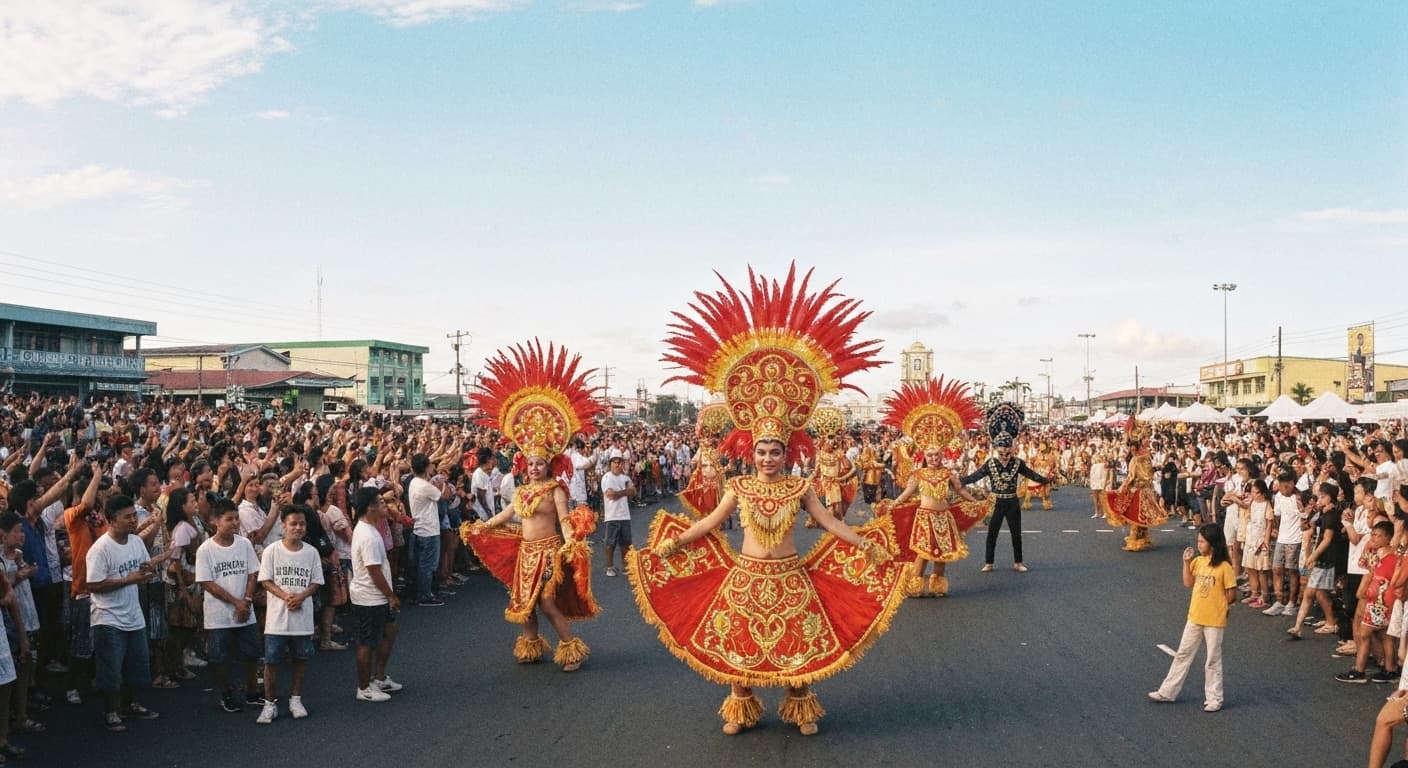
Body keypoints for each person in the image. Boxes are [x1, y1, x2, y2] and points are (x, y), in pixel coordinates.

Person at [629, 264, 903, 737]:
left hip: (791, 574)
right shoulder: (739, 487)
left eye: (776, 450)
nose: (769, 457)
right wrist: (675, 544)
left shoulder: (800, 488)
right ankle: (741, 707)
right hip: (748, 574)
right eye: (762, 450)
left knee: (799, 647)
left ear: (787, 452)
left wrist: (861, 542)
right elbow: (710, 523)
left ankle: (800, 708)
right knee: (738, 649)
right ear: (751, 451)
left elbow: (829, 523)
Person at [463, 340, 599, 672]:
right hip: (526, 551)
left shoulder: (555, 489)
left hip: (549, 550)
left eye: (540, 463)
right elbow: (507, 515)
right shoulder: (522, 491)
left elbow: (564, 520)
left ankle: (571, 649)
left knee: (548, 602)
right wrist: (483, 526)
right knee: (526, 605)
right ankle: (531, 646)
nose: (535, 467)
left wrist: (570, 542)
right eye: (531, 463)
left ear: (548, 465)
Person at [875, 376, 987, 598]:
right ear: (924, 455)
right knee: (922, 553)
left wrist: (976, 503)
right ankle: (915, 585)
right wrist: (893, 504)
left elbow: (961, 491)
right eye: (930, 455)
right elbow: (907, 493)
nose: (934, 458)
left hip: (943, 518)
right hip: (924, 518)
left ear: (942, 454)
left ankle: (937, 585)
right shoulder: (918, 474)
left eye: (937, 454)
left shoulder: (948, 474)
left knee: (941, 555)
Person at [86, 494, 162, 732]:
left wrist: (147, 569)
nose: (133, 520)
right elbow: (93, 584)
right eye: (127, 517)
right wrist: (127, 579)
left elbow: (142, 570)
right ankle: (111, 712)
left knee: (137, 664)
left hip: (133, 614)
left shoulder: (136, 542)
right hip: (108, 617)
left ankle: (131, 704)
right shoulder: (100, 549)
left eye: (133, 515)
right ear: (111, 520)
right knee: (111, 668)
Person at [1148, 524, 1236, 712]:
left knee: (1212, 659)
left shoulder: (1224, 567)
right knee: (1183, 654)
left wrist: (1221, 606)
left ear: (1212, 544)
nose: (1198, 545)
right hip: (1195, 615)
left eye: (1202, 541)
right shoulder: (1198, 561)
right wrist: (1186, 562)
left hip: (1214, 619)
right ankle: (1168, 691)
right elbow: (1188, 582)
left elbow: (1231, 594)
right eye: (1198, 541)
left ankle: (1214, 698)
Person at [960, 403, 1050, 572]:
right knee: (992, 533)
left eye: (1007, 446)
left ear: (1012, 447)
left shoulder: (1018, 463)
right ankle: (989, 562)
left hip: (1012, 501)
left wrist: (1046, 480)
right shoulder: (991, 463)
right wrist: (959, 481)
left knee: (1016, 533)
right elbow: (975, 476)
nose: (1004, 449)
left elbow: (1032, 474)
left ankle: (1018, 562)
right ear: (996, 447)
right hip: (995, 502)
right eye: (1001, 446)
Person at [256, 504, 324, 723]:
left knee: (300, 659)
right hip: (277, 619)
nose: (298, 528)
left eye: (302, 524)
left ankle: (296, 698)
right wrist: (285, 596)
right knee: (272, 661)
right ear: (283, 525)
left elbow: (316, 582)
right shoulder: (272, 551)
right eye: (293, 523)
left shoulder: (311, 552)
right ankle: (269, 703)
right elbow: (265, 580)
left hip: (302, 618)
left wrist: (301, 596)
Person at [195, 499, 261, 713]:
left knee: (251, 653)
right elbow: (207, 582)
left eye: (236, 518)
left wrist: (247, 601)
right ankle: (227, 693)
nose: (234, 523)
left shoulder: (244, 544)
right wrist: (236, 603)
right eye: (229, 519)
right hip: (219, 614)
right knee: (220, 657)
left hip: (245, 610)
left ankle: (252, 692)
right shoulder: (205, 550)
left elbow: (253, 573)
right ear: (215, 521)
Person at [349, 487, 402, 702]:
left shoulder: (370, 529)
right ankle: (364, 688)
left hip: (377, 595)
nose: (385, 505)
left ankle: (379, 678)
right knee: (366, 642)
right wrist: (391, 595)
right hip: (369, 597)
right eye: (381, 502)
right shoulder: (368, 535)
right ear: (370, 507)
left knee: (390, 631)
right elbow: (373, 570)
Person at [1096, 428, 1168, 552]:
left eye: (1133, 449)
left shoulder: (1135, 460)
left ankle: (1134, 541)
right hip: (1147, 491)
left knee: (1135, 516)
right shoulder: (1148, 458)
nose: (1132, 451)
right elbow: (1149, 474)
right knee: (1143, 516)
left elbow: (1131, 476)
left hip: (1138, 491)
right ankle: (1143, 538)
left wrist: (1121, 488)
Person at [406, 453, 444, 608]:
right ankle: (425, 595)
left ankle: (422, 592)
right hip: (428, 530)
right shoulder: (426, 486)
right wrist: (441, 482)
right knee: (427, 565)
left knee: (421, 564)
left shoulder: (415, 482)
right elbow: (444, 495)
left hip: (419, 528)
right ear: (426, 467)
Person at [600, 455, 634, 577]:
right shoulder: (607, 478)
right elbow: (610, 495)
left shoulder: (625, 477)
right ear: (610, 464)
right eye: (615, 462)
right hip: (612, 516)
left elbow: (633, 491)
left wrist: (619, 493)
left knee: (626, 543)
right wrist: (625, 491)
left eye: (620, 462)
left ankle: (626, 566)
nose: (618, 464)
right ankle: (610, 567)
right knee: (610, 543)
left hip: (625, 515)